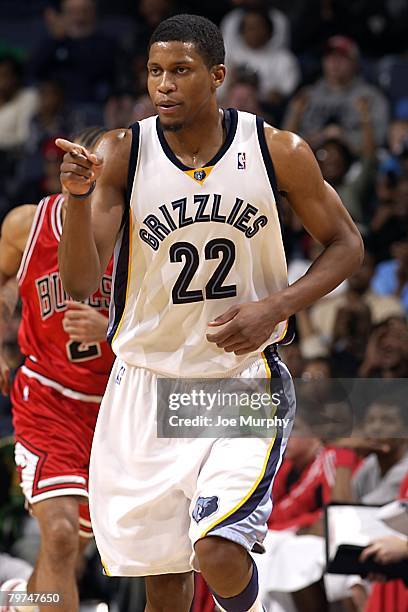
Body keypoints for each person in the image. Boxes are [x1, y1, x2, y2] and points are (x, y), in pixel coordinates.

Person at [56, 14, 363, 612]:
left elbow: (347, 244)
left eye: (180, 71)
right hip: (146, 383)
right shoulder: (121, 152)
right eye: (154, 72)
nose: (164, 85)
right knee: (165, 582)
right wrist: (76, 201)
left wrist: (275, 306)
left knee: (219, 551)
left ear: (216, 75)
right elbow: (80, 281)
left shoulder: (278, 149)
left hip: (237, 382)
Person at [0, 127, 114, 612]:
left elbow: (177, 327)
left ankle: (25, 601)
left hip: (120, 408)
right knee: (63, 536)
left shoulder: (145, 236)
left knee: (78, 547)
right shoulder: (27, 225)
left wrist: (111, 330)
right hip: (48, 397)